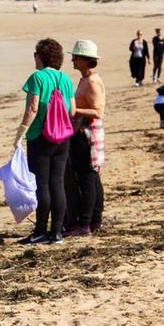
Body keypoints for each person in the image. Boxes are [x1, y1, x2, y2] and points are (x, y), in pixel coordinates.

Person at [13, 38, 75, 245]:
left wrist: (21, 132)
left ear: (40, 56)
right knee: (57, 183)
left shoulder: (37, 77)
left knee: (42, 184)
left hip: (40, 136)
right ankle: (56, 233)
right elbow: (72, 110)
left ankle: (40, 230)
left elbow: (32, 108)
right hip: (63, 137)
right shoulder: (66, 80)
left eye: (35, 54)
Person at [65, 40, 105, 237]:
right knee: (92, 177)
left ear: (86, 60)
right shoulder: (85, 79)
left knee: (87, 178)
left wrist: (73, 110)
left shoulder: (92, 81)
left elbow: (97, 111)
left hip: (87, 134)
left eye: (76, 57)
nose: (72, 59)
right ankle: (95, 220)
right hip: (82, 132)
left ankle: (85, 224)